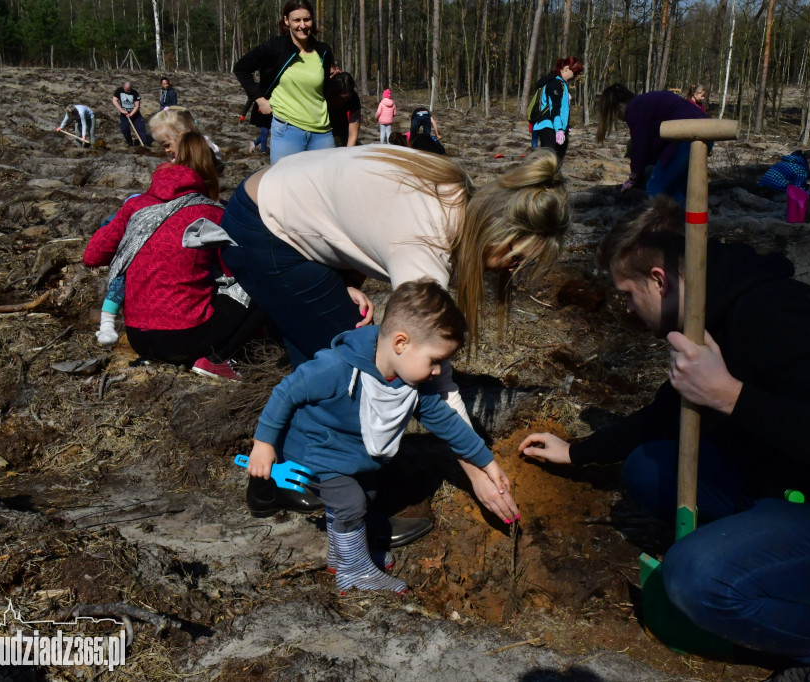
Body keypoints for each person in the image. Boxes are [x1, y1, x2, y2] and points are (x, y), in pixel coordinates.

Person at [519, 197, 810, 682]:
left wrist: (730, 396)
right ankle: (764, 560)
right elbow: (666, 415)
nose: (625, 308)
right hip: (804, 489)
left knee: (695, 577)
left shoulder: (773, 315)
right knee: (647, 465)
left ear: (659, 281)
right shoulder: (712, 315)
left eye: (627, 293)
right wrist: (577, 452)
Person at [219, 146, 569, 518]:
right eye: (517, 258)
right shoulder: (426, 246)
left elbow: (362, 215)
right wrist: (476, 473)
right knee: (356, 370)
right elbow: (437, 388)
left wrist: (343, 282)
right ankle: (298, 485)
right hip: (263, 230)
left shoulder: (456, 192)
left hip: (276, 202)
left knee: (341, 347)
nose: (512, 271)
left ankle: (317, 473)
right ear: (500, 232)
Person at [246, 279, 519, 593]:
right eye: (434, 361)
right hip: (315, 450)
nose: (437, 372)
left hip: (353, 456)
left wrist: (486, 461)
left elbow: (448, 423)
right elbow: (286, 392)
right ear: (401, 343)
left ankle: (343, 555)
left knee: (366, 496)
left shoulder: (411, 385)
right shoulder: (336, 368)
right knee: (349, 502)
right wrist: (264, 444)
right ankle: (354, 571)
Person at [83, 133, 265, 381]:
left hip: (137, 336)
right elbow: (238, 267)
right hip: (184, 338)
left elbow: (92, 256)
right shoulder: (213, 212)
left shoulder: (135, 206)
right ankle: (215, 359)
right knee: (263, 279)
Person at [234, 0, 335, 164]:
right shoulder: (276, 47)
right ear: (286, 21)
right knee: (284, 180)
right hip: (287, 131)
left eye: (307, 19)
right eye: (296, 20)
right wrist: (260, 100)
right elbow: (241, 68)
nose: (302, 25)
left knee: (326, 180)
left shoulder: (323, 51)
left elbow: (325, 90)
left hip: (322, 132)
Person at [596, 85, 708, 203]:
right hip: (706, 132)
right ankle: (684, 213)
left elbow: (639, 144)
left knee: (655, 188)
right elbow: (654, 143)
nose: (620, 118)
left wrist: (634, 176)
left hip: (689, 136)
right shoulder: (646, 104)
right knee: (673, 189)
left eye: (617, 114)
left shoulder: (634, 108)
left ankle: (669, 215)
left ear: (620, 106)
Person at [529, 57, 583, 163]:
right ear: (566, 68)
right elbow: (555, 109)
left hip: (557, 127)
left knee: (557, 160)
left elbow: (562, 110)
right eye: (575, 73)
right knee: (550, 161)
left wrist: (565, 127)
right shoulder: (555, 83)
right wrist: (559, 130)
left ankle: (553, 173)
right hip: (548, 127)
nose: (575, 76)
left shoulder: (562, 84)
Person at [148, 106, 224, 175]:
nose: (166, 150)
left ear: (182, 136)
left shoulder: (202, 148)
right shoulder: (178, 152)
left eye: (167, 145)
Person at [326, 70, 361, 147]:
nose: (343, 102)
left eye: (347, 99)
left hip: (343, 130)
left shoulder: (353, 99)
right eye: (341, 99)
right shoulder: (324, 93)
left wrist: (348, 152)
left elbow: (353, 134)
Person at [112, 81, 150, 147]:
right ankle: (130, 143)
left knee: (141, 128)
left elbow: (137, 105)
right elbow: (114, 100)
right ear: (124, 87)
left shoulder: (135, 93)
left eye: (130, 90)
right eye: (127, 90)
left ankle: (145, 144)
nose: (129, 91)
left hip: (135, 114)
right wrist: (121, 110)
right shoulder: (119, 91)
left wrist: (131, 114)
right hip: (124, 115)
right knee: (124, 129)